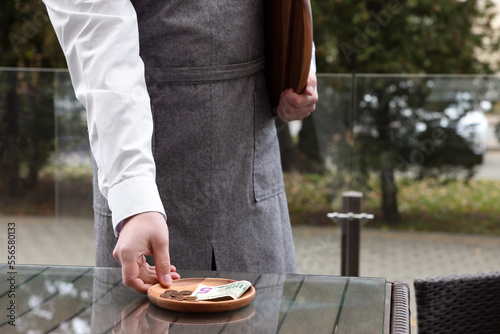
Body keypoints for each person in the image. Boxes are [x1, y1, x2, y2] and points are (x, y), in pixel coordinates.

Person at [43, 0, 318, 294]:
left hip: (251, 169)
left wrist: (298, 67)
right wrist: (135, 199)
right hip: (149, 184)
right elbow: (99, 49)